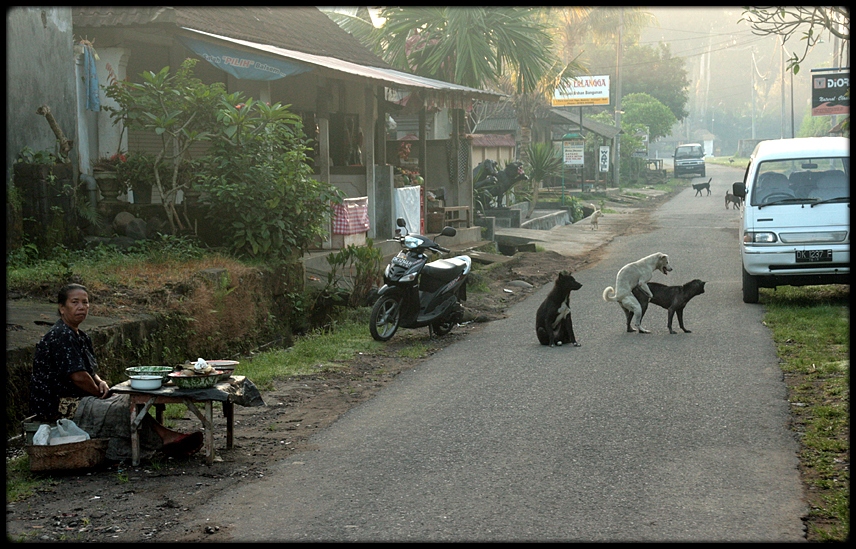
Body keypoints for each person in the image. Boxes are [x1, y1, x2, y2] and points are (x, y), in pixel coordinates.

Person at [29, 283, 203, 462]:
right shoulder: (60, 335)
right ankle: (164, 440)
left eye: (85, 302)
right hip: (59, 404)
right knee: (120, 408)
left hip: (79, 396)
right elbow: (78, 377)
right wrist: (98, 393)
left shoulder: (81, 336)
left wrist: (101, 382)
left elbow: (89, 371)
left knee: (130, 399)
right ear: (62, 308)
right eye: (75, 302)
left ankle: (166, 437)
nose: (81, 307)